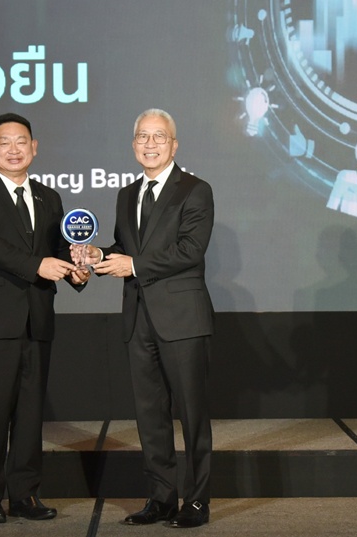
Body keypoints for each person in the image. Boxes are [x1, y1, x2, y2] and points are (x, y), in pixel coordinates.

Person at [73, 108, 215, 528]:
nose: (150, 144)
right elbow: (125, 248)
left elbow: (190, 250)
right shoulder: (126, 194)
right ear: (133, 144)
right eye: (142, 137)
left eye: (159, 137)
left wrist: (133, 265)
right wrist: (98, 255)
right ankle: (161, 498)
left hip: (182, 320)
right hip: (138, 318)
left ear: (174, 144)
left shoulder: (195, 190)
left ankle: (197, 502)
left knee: (192, 415)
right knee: (150, 416)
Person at [0, 112, 88, 524]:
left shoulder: (49, 197)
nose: (14, 150)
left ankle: (26, 494)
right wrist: (37, 266)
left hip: (37, 319)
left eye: (21, 142)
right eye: (4, 142)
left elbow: (59, 251)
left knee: (30, 416)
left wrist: (78, 271)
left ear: (34, 147)